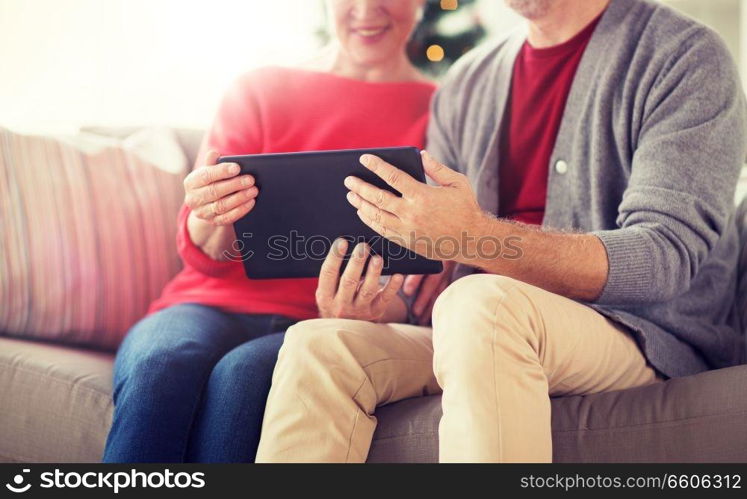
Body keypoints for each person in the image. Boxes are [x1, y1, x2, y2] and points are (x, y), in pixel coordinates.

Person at [255, 0, 747, 462]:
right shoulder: (468, 80)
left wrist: (473, 237)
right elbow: (438, 273)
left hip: (639, 332)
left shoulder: (684, 56)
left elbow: (664, 259)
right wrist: (380, 306)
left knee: (481, 304)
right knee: (320, 344)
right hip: (484, 326)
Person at [103, 0, 434, 463]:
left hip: (317, 324)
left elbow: (425, 271)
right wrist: (210, 211)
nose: (366, 10)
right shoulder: (260, 88)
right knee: (162, 362)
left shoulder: (442, 109)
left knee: (245, 378)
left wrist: (368, 312)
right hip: (206, 304)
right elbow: (202, 253)